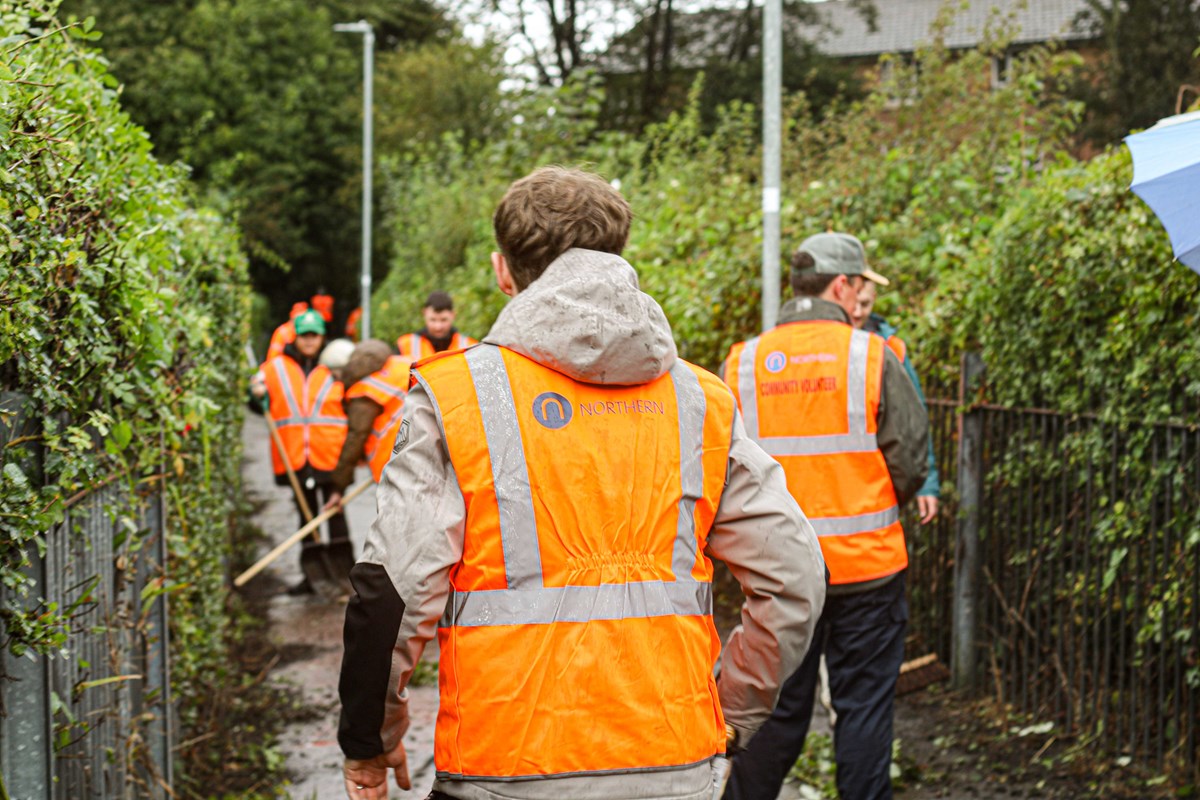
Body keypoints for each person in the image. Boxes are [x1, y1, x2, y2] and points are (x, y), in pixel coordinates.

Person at [337, 166, 828, 800]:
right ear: (616, 256)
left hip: (504, 769)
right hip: (674, 765)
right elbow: (795, 576)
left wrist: (370, 740)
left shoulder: (459, 397)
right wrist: (730, 712)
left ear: (502, 271)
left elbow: (392, 591)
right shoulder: (701, 401)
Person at [721, 232, 929, 800]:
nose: (860, 293)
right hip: (869, 571)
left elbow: (720, 468)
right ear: (842, 285)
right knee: (862, 711)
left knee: (776, 712)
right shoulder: (872, 356)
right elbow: (909, 457)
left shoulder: (743, 362)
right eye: (860, 284)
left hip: (779, 575)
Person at [250, 309, 351, 594]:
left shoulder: (336, 365)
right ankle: (313, 576)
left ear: (322, 337)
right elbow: (257, 402)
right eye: (305, 336)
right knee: (306, 515)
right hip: (294, 454)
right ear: (297, 337)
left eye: (315, 336)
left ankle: (344, 573)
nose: (309, 341)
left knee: (335, 511)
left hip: (330, 454)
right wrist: (256, 395)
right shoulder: (276, 367)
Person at [851, 281, 941, 523]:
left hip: (879, 483)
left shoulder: (890, 347)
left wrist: (927, 483)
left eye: (865, 304)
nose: (858, 312)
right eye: (854, 303)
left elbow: (914, 418)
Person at [321, 338, 412, 514]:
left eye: (334, 376)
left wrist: (338, 488)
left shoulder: (364, 391)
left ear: (342, 370)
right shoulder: (399, 363)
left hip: (397, 465)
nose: (336, 382)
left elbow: (356, 436)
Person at [395, 291, 477, 359]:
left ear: (453, 315)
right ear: (424, 313)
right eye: (433, 320)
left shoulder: (470, 346)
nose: (438, 327)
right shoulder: (405, 344)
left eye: (444, 320)